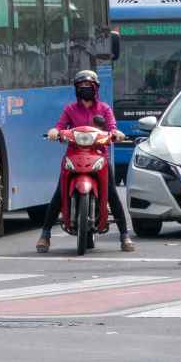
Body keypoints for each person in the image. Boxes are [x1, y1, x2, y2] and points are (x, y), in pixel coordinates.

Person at [36, 69, 134, 253]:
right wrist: (55, 132)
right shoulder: (70, 109)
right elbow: (60, 126)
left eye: (88, 85)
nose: (85, 88)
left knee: (112, 194)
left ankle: (124, 235)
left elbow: (112, 128)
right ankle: (45, 235)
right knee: (59, 194)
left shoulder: (104, 108)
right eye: (81, 86)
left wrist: (116, 133)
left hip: (99, 156)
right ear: (76, 89)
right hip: (74, 155)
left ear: (95, 88)